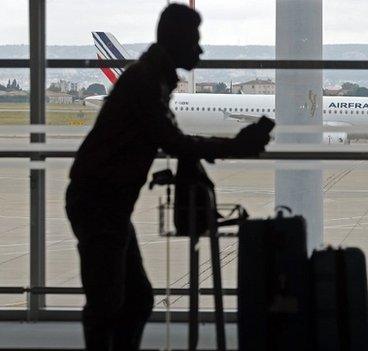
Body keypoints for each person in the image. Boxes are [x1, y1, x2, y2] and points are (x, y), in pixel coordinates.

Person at [65, 4, 270, 350]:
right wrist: (235, 147)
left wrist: (230, 146)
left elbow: (168, 139)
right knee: (110, 303)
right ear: (175, 41)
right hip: (100, 203)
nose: (200, 50)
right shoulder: (145, 82)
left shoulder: (150, 79)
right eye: (195, 41)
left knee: (132, 299)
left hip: (105, 202)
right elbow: (172, 140)